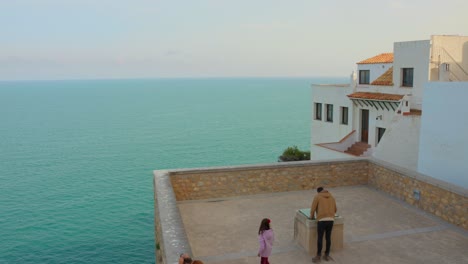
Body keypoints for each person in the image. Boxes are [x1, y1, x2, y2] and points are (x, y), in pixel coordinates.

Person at [310, 187, 337, 262]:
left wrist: (311, 217)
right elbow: (335, 209)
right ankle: (327, 255)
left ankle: (318, 256)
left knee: (320, 238)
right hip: (331, 219)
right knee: (328, 238)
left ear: (318, 192)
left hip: (322, 220)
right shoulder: (331, 196)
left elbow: (313, 209)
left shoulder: (317, 196)